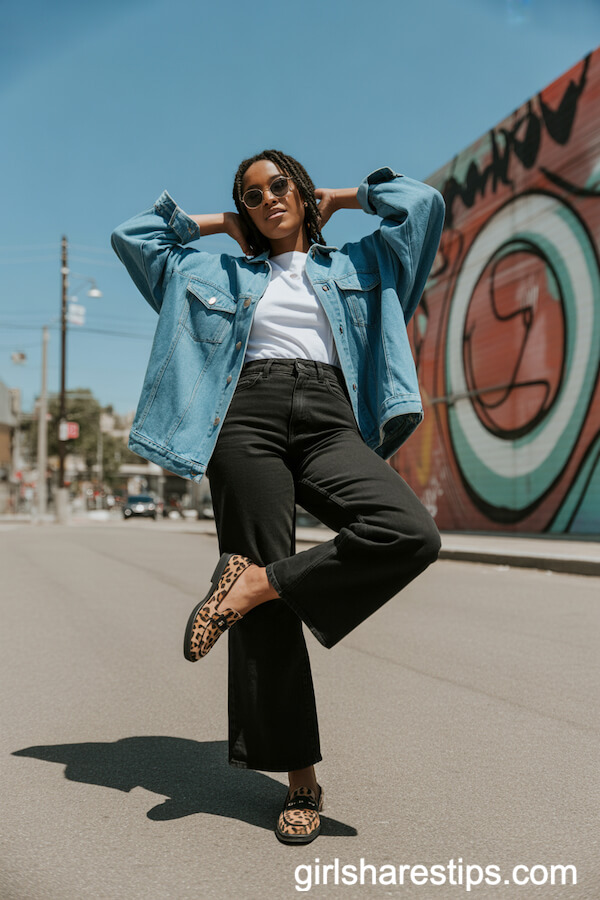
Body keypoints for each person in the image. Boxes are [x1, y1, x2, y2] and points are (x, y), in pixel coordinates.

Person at [111, 150, 445, 844]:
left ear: (301, 189)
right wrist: (220, 224)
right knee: (266, 614)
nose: (267, 199)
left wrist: (346, 198)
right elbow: (135, 238)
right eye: (251, 194)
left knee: (409, 530)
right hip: (243, 415)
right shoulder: (211, 269)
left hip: (330, 413)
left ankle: (259, 580)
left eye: (278, 185)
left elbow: (423, 207)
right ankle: (300, 780)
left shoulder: (361, 264)